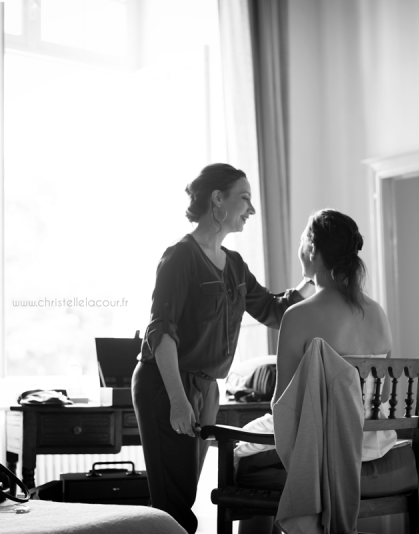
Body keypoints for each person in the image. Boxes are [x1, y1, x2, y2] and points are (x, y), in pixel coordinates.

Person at [131, 163, 314, 533]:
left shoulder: (234, 264)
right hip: (167, 385)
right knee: (173, 503)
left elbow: (274, 310)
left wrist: (314, 277)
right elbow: (160, 332)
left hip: (207, 389)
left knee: (183, 495)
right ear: (218, 199)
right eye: (244, 197)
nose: (251, 208)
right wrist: (179, 400)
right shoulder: (180, 257)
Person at [234, 209, 396, 534]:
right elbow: (388, 396)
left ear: (311, 249)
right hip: (372, 441)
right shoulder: (377, 312)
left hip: (322, 443)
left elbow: (282, 405)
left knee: (237, 451)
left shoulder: (297, 316)